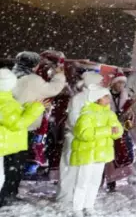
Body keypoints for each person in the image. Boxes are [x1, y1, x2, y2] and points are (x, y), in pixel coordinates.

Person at [4, 59, 65, 203]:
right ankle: (9, 194)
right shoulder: (32, 80)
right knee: (16, 162)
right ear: (33, 65)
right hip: (24, 125)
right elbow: (54, 89)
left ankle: (6, 192)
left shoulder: (11, 77)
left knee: (8, 162)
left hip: (6, 125)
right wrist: (59, 75)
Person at [70, 85, 122, 215]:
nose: (108, 98)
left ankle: (89, 206)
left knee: (95, 182)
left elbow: (118, 131)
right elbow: (84, 133)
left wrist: (115, 131)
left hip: (101, 154)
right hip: (87, 153)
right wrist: (107, 130)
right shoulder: (86, 113)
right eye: (105, 96)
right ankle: (77, 208)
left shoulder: (110, 114)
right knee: (83, 181)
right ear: (96, 98)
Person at [56, 71, 105, 207]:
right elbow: (73, 120)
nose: (102, 84)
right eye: (100, 82)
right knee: (70, 168)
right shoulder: (79, 98)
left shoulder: (96, 99)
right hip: (75, 137)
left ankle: (75, 196)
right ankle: (65, 198)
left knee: (81, 170)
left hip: (87, 138)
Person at [0, 68, 45, 208]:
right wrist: (35, 109)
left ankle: (7, 196)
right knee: (4, 176)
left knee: (7, 175)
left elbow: (14, 115)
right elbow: (17, 123)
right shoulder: (4, 102)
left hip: (8, 144)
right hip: (5, 145)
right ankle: (4, 198)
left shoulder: (7, 100)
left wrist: (29, 107)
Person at [106, 72, 134, 192]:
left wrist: (129, 116)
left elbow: (131, 114)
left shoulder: (125, 96)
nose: (121, 85)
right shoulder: (106, 95)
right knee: (109, 155)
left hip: (122, 129)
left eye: (123, 83)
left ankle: (116, 177)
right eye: (119, 82)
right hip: (109, 127)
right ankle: (110, 181)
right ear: (113, 83)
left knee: (123, 152)